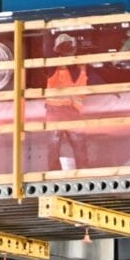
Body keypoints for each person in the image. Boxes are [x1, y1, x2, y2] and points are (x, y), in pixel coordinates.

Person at [42, 32, 89, 174]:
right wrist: (46, 31)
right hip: (57, 111)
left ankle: (82, 172)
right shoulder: (55, 66)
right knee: (57, 144)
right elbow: (47, 50)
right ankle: (56, 173)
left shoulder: (79, 67)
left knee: (73, 144)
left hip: (70, 111)